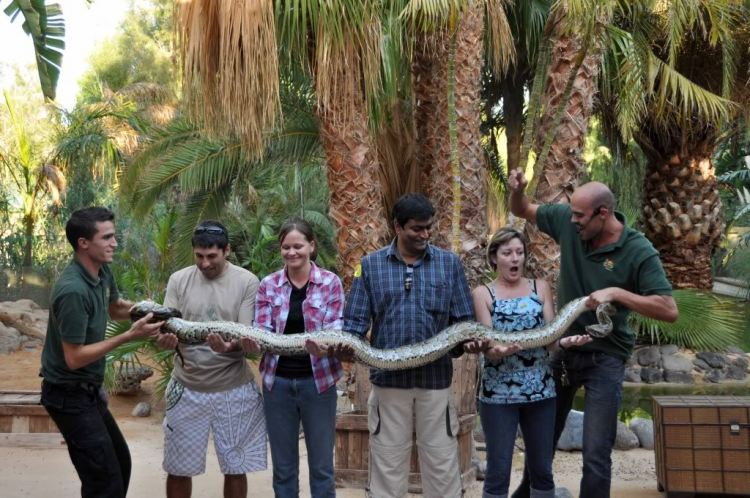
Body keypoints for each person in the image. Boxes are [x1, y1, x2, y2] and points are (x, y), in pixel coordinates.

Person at [507, 169, 678, 498]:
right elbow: (522, 209)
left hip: (606, 358)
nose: (573, 222)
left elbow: (669, 309)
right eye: (572, 213)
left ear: (603, 214)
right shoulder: (568, 221)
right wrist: (517, 191)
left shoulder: (639, 250)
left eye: (580, 216)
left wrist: (618, 293)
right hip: (563, 353)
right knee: (541, 441)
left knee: (596, 454)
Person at [337, 193, 486, 498]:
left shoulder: (449, 264)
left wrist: (467, 343)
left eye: (428, 227)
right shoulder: (371, 266)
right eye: (417, 228)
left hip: (435, 384)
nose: (425, 234)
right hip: (388, 384)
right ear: (397, 226)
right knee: (388, 468)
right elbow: (353, 326)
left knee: (443, 466)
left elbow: (463, 322)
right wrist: (344, 347)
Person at [40, 206, 165, 498]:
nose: (115, 243)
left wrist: (146, 311)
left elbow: (115, 308)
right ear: (84, 243)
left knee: (118, 466)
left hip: (87, 392)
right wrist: (130, 337)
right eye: (107, 237)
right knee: (105, 482)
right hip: (68, 395)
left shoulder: (101, 270)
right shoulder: (73, 290)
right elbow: (74, 357)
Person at [471, 227, 592, 498]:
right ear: (494, 258)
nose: (514, 258)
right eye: (507, 253)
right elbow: (488, 349)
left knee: (541, 469)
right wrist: (498, 351)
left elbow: (550, 338)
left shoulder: (541, 288)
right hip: (498, 394)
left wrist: (564, 342)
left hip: (540, 392)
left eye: (519, 252)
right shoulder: (482, 294)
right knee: (498, 471)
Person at [156, 220, 267, 498]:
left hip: (234, 389)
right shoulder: (179, 280)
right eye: (199, 256)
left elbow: (246, 334)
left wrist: (232, 347)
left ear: (227, 250)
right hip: (186, 388)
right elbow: (164, 330)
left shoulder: (247, 282)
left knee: (234, 466)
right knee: (178, 468)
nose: (204, 264)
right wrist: (164, 340)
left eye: (211, 256)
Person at [254, 218, 344, 497]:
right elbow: (262, 330)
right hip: (277, 384)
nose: (292, 252)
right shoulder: (268, 285)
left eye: (298, 246)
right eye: (286, 247)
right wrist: (254, 343)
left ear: (311, 246)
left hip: (319, 384)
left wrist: (327, 347)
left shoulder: (330, 283)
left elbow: (336, 328)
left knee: (322, 468)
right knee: (283, 469)